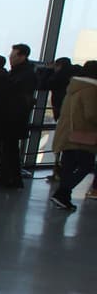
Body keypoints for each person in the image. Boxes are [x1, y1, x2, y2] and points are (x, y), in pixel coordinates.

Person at [50, 60, 97, 210]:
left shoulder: (74, 87)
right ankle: (62, 193)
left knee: (68, 166)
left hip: (67, 134)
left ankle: (64, 198)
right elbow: (92, 115)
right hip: (84, 136)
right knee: (86, 165)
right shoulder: (91, 89)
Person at [0, 42, 36, 188]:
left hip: (11, 120)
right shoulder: (23, 73)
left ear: (22, 56)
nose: (10, 58)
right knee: (9, 149)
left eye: (13, 55)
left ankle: (8, 178)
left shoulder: (23, 75)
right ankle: (10, 178)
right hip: (13, 120)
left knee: (7, 149)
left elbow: (15, 95)